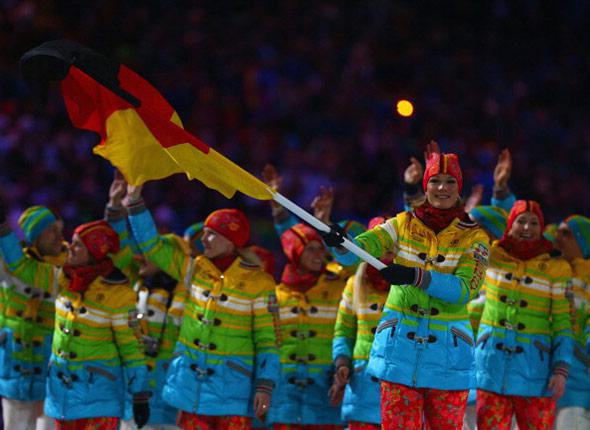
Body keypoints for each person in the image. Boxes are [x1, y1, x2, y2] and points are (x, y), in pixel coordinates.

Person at [324, 151, 490, 429]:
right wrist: (341, 243)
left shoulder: (476, 237)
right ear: (425, 186)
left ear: (459, 188)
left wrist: (416, 276)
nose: (442, 188)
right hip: (398, 353)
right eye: (435, 180)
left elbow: (464, 290)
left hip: (448, 360)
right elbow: (362, 249)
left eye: (450, 182)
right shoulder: (402, 223)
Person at [125, 185, 279, 430]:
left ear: (231, 241)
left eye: (211, 234)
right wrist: (134, 203)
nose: (204, 239)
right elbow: (151, 246)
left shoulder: (259, 283)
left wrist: (265, 385)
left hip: (232, 394)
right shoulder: (193, 269)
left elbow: (268, 340)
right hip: (190, 391)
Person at [0, 217, 149, 429]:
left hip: (98, 399)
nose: (69, 246)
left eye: (78, 244)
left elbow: (131, 348)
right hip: (62, 397)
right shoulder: (63, 279)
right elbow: (20, 265)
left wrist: (140, 394)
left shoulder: (118, 295)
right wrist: (4, 229)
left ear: (95, 251)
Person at [475, 200, 573, 430]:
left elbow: (563, 322)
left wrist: (561, 368)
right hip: (491, 367)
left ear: (542, 228)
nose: (527, 227)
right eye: (521, 221)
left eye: (534, 222)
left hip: (535, 373)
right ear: (510, 224)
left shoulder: (556, 269)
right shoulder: (491, 255)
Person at [270, 223, 346, 429]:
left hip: (325, 395)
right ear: (295, 252)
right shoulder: (276, 295)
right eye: (310, 248)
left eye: (321, 248)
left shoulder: (338, 286)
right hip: (284, 397)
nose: (318, 254)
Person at [0, 205, 66, 430]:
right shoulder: (7, 265)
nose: (59, 236)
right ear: (34, 237)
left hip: (51, 376)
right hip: (15, 368)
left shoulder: (68, 269)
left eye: (59, 229)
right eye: (50, 231)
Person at [330, 216, 390, 429]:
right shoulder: (354, 283)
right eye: (381, 244)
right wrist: (342, 363)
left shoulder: (411, 284)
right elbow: (343, 332)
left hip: (401, 387)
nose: (387, 250)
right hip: (362, 385)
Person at [554, 215, 590, 430]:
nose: (558, 237)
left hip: (578, 378)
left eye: (566, 233)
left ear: (581, 240)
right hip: (542, 376)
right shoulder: (550, 269)